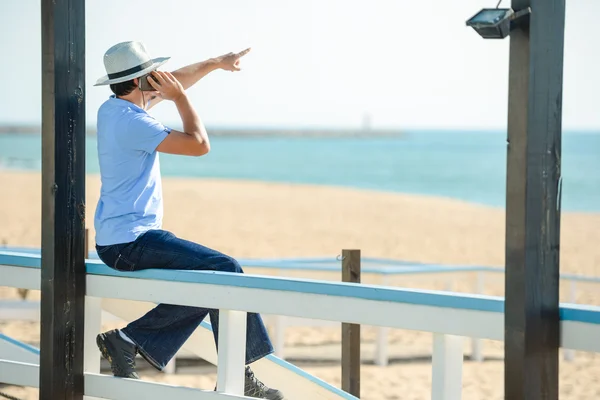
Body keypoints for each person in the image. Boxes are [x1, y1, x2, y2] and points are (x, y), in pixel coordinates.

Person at [92, 41, 284, 400]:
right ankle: (129, 340)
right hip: (129, 241)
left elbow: (177, 78)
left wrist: (216, 63)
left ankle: (131, 341)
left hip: (120, 237)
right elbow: (199, 144)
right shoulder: (134, 122)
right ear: (141, 81)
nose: (162, 78)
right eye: (154, 74)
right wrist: (180, 99)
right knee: (226, 269)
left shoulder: (114, 108)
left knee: (211, 279)